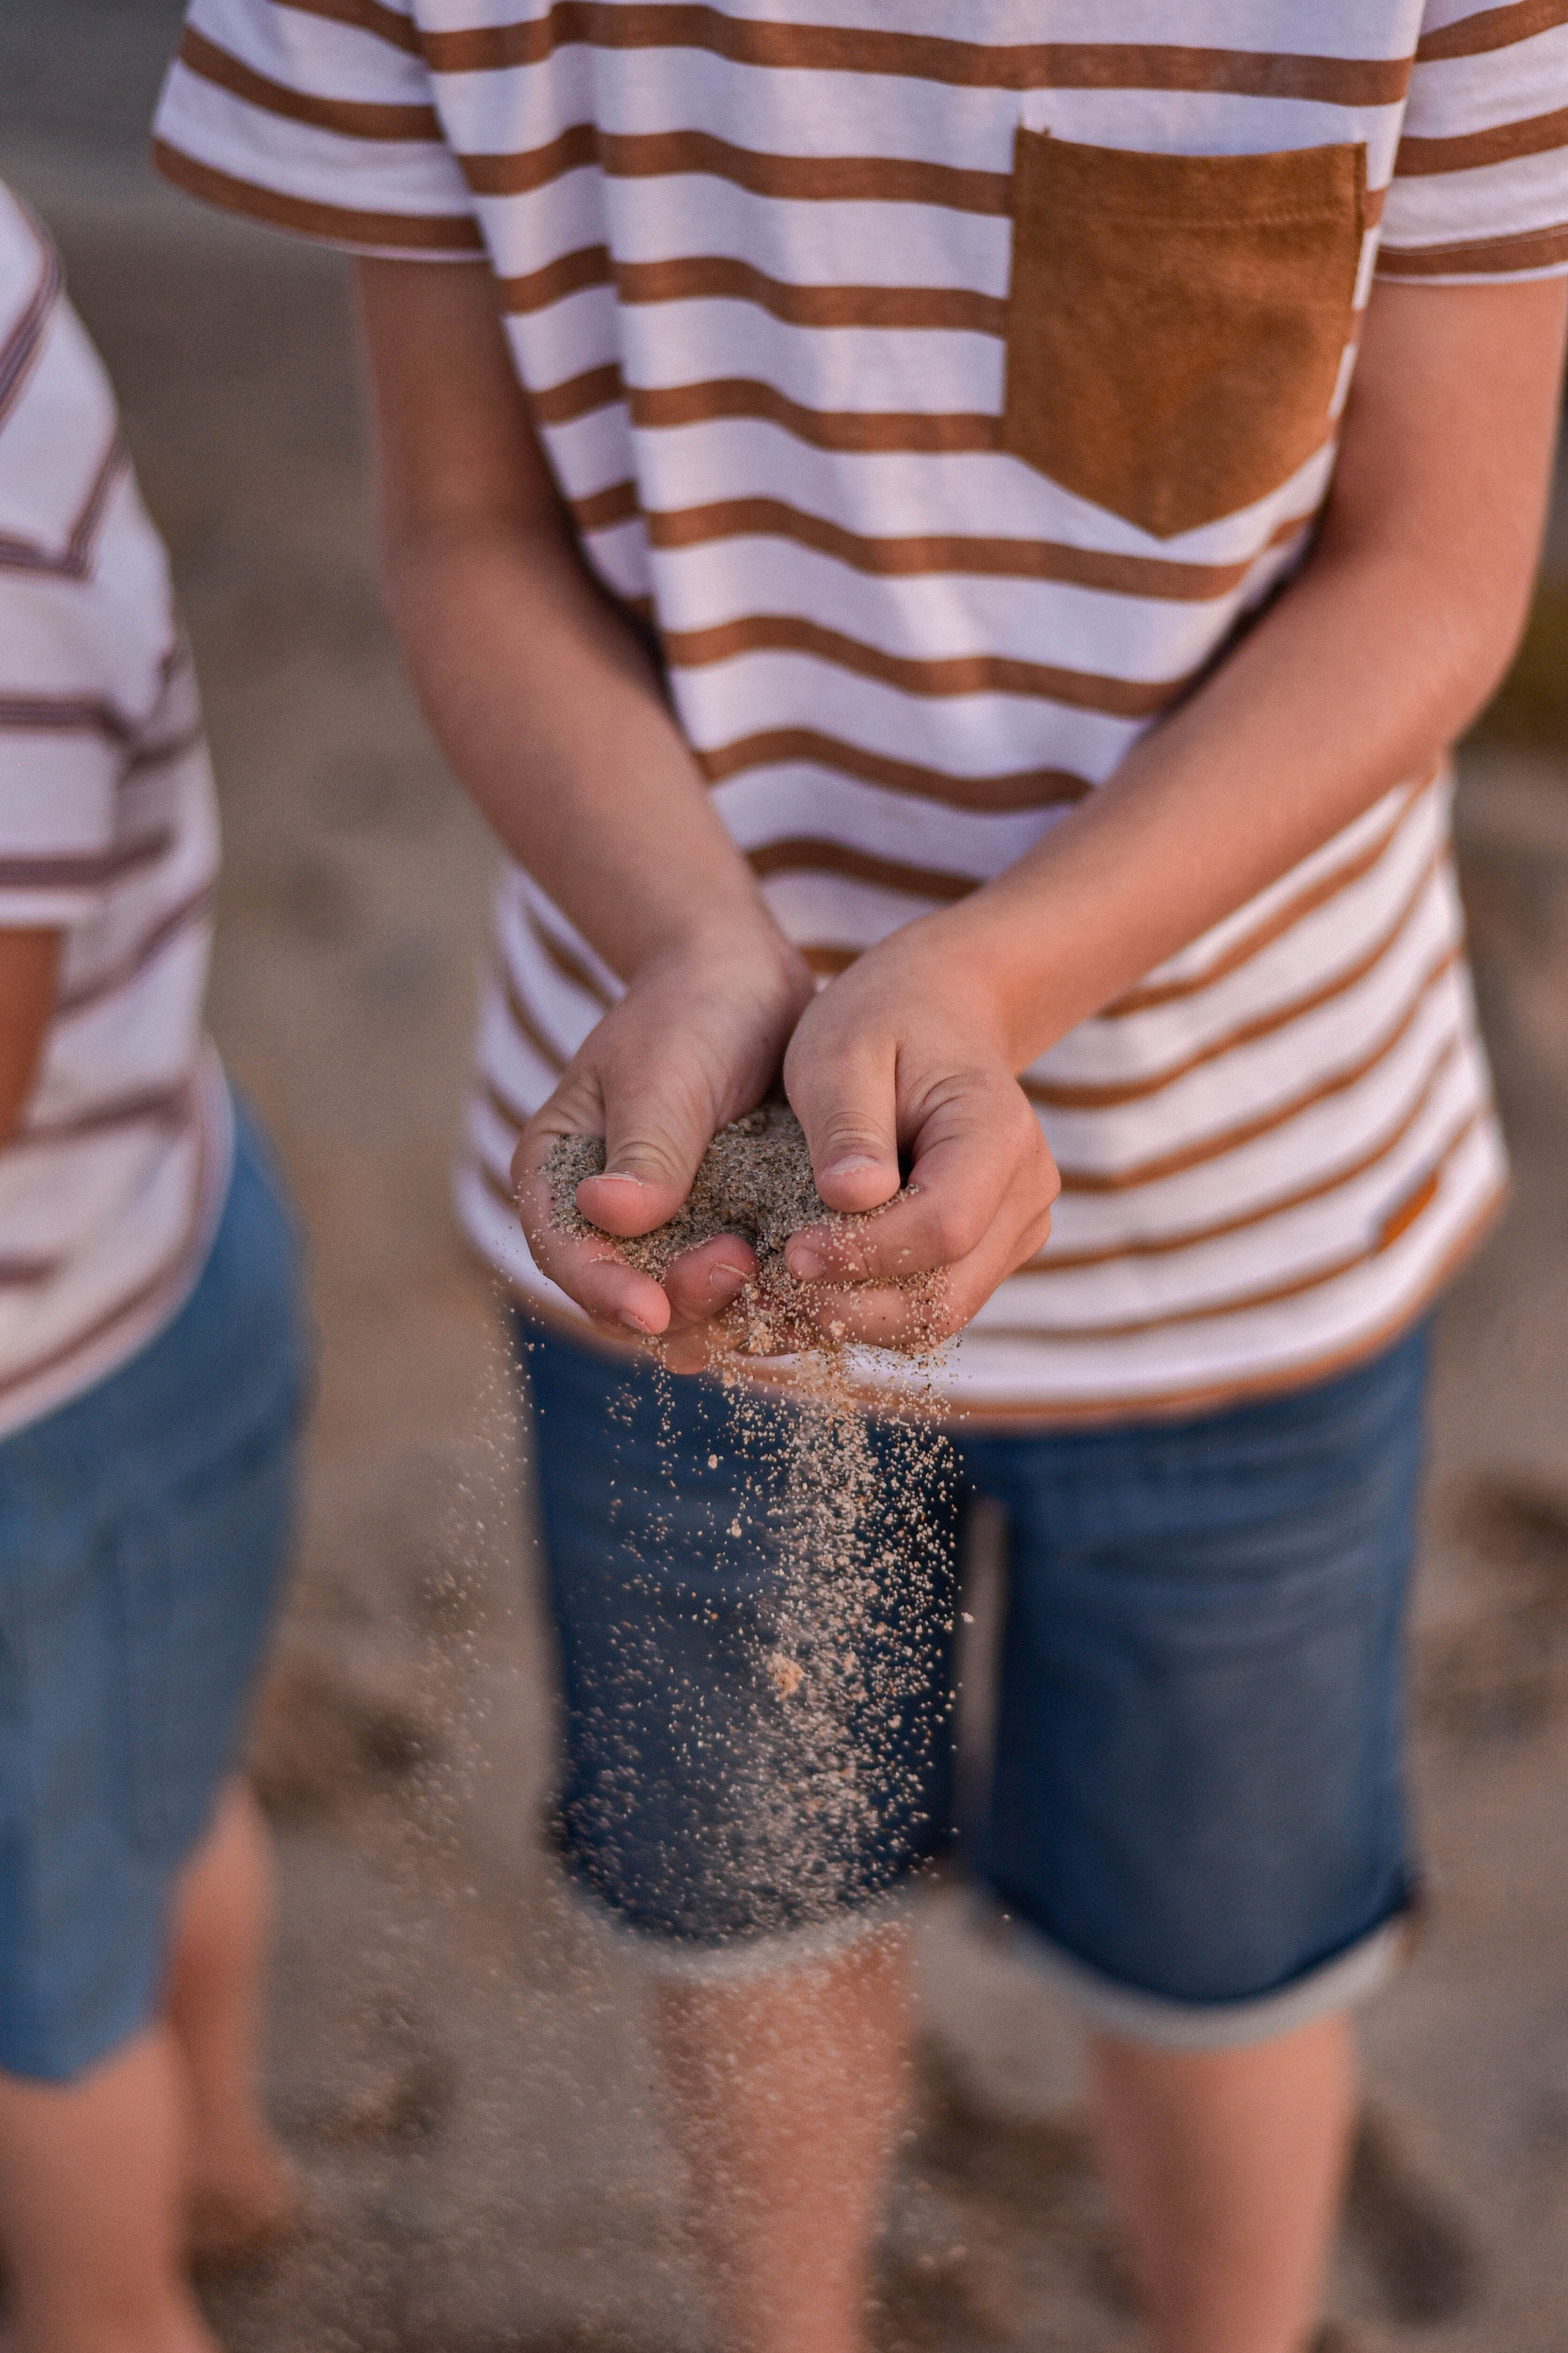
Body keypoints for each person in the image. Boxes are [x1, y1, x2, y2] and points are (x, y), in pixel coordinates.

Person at [154, 10, 1567, 2351]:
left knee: (1225, 1942)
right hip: (680, 1195)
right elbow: (465, 530)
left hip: (1252, 1194)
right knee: (751, 1897)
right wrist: (703, 941)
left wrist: (1002, 977)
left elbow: (1437, 572)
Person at [0, 183, 309, 2353]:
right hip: (172, 1247)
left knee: (35, 1998)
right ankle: (222, 2153)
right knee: (157, 1791)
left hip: (38, 1379)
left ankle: (108, 2298)